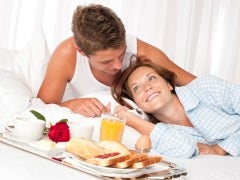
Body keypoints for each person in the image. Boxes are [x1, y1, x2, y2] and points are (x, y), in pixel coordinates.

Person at [37, 4, 195, 118]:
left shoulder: (143, 52)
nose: (118, 66)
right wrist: (72, 105)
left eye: (122, 54)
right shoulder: (67, 55)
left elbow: (198, 86)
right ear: (82, 52)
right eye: (106, 62)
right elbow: (40, 108)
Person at [111, 57, 240, 158]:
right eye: (136, 88)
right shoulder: (163, 133)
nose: (147, 87)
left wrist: (220, 149)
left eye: (151, 78)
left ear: (169, 84)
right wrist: (133, 121)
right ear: (137, 104)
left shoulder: (206, 87)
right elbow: (186, 149)